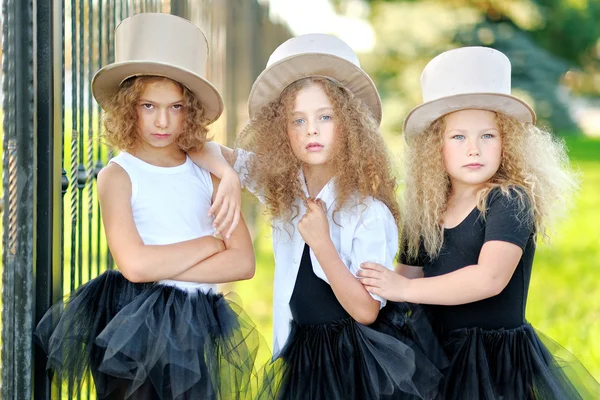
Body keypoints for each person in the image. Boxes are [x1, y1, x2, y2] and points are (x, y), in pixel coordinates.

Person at [191, 33, 445, 399]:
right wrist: (228, 175)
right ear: (281, 132)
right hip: (300, 354)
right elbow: (203, 146)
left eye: (325, 117)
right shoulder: (283, 188)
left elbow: (366, 310)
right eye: (297, 120)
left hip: (351, 363)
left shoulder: (367, 212)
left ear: (350, 127)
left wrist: (323, 244)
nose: (311, 129)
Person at [35, 13, 264, 399]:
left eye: (175, 107)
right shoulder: (119, 176)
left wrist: (227, 174)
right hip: (135, 326)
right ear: (129, 107)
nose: (162, 121)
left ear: (189, 109)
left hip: (197, 321)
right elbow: (137, 265)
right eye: (148, 106)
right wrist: (210, 244)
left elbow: (243, 262)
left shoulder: (205, 172)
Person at [358, 46, 600, 399]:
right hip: (436, 355)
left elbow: (490, 278)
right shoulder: (426, 211)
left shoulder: (510, 198)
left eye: (487, 135)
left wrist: (404, 289)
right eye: (458, 137)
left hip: (495, 363)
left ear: (507, 143)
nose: (474, 149)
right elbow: (402, 284)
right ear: (434, 148)